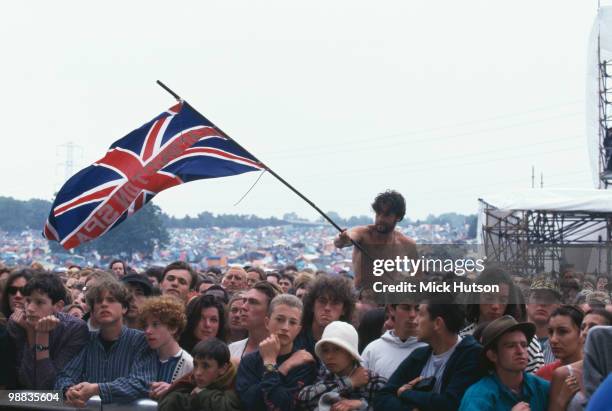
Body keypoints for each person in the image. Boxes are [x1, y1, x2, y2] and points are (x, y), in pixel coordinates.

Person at [55, 279, 158, 406]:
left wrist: (96, 389)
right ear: (92, 311)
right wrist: (68, 390)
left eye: (111, 300)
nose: (104, 304)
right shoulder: (86, 340)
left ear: (124, 308)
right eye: (98, 301)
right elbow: (65, 375)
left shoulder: (141, 341)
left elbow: (142, 383)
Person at [374, 296, 482, 411]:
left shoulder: (471, 355)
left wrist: (406, 393)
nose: (415, 321)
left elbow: (450, 403)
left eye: (420, 314)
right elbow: (382, 397)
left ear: (437, 323)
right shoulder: (419, 355)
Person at [7, 272, 89, 389]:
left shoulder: (74, 329)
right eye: (28, 301)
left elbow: (46, 385)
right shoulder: (18, 323)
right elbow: (26, 381)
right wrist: (31, 333)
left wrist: (42, 336)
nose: (30, 309)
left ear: (58, 306)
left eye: (39, 302)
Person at [236, 294, 316, 411]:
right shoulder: (249, 361)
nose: (285, 327)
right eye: (280, 319)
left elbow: (285, 405)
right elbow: (250, 402)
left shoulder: (304, 363)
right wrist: (280, 367)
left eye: (292, 322)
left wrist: (271, 366)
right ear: (267, 322)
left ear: (298, 330)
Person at [461, 268, 545, 373]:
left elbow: (536, 383)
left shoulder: (526, 339)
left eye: (503, 300)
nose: (495, 306)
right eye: (489, 298)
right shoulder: (463, 339)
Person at [458, 315, 550, 411]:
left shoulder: (543, 388)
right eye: (510, 346)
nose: (520, 351)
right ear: (492, 355)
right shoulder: (477, 396)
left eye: (524, 345)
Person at [333, 190, 417, 289]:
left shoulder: (407, 243)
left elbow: (417, 275)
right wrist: (343, 238)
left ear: (398, 217)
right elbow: (342, 241)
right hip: (362, 298)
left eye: (386, 215)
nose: (380, 219)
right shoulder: (363, 233)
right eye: (378, 214)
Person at [298, 320, 386, 411]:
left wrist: (361, 405)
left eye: (337, 349)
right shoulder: (324, 374)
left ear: (351, 354)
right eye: (325, 350)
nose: (329, 356)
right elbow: (303, 399)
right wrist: (349, 382)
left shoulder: (375, 382)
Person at [548, 309, 612, 411]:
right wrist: (562, 400)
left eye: (593, 328)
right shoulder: (563, 374)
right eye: (583, 328)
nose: (585, 333)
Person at [158, 338, 241, 411]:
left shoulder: (234, 383)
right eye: (195, 365)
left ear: (223, 368)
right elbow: (169, 401)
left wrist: (202, 393)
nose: (198, 373)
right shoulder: (188, 381)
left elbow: (227, 407)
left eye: (206, 366)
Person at [140, 295, 193, 401]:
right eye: (146, 326)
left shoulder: (188, 363)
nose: (148, 331)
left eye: (155, 324)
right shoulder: (143, 356)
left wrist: (173, 390)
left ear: (173, 327)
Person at [362, 303, 427, 379]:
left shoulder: (432, 349)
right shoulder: (373, 350)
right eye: (406, 308)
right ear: (391, 310)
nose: (412, 315)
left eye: (417, 309)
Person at [296, 274, 355, 357]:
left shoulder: (348, 341)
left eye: (335, 303)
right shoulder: (296, 335)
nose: (327, 308)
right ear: (312, 305)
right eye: (322, 301)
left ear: (344, 310)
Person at [229, 281, 280, 360]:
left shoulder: (282, 351)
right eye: (244, 301)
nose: (243, 307)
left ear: (270, 311)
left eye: (253, 302)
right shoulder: (232, 349)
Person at [535, 306, 583, 381]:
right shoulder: (543, 375)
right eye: (550, 332)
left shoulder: (596, 372)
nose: (553, 340)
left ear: (581, 333)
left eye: (563, 331)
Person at [527, 276, 561, 365]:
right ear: (527, 303)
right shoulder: (514, 340)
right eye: (537, 297)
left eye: (549, 299)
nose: (542, 303)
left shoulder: (564, 345)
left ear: (558, 306)